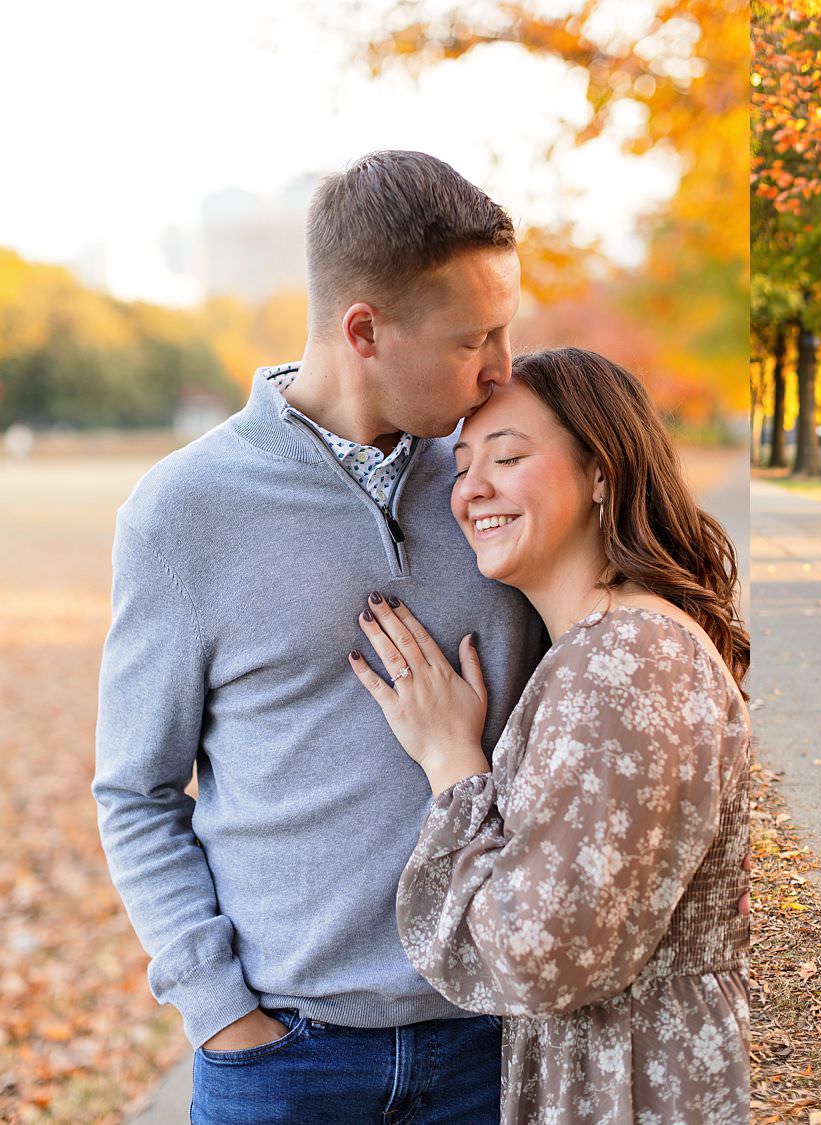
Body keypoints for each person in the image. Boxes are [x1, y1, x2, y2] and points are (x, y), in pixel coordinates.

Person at [94, 150, 550, 1122]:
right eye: (474, 338)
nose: (502, 368)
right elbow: (136, 791)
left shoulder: (502, 485)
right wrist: (223, 1016)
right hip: (284, 1066)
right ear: (364, 331)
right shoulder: (183, 512)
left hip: (491, 1046)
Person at [347, 347, 751, 1124]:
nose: (472, 490)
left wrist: (452, 763)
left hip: (638, 1083)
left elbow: (541, 955)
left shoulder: (629, 658)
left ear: (601, 472)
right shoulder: (601, 646)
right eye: (462, 466)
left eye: (508, 458)